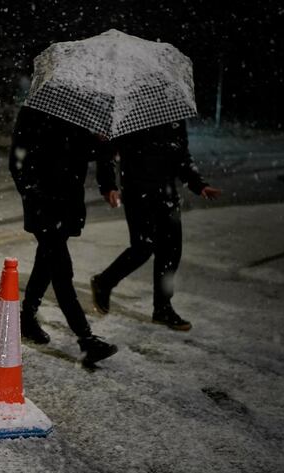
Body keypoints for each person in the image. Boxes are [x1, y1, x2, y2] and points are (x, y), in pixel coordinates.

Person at [9, 106, 118, 369]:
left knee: (46, 263)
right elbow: (17, 159)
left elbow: (84, 150)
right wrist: (31, 191)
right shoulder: (35, 109)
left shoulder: (80, 113)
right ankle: (85, 339)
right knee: (61, 269)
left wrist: (105, 150)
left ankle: (26, 318)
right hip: (42, 203)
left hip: (67, 203)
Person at [92, 120, 222, 331]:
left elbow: (182, 156)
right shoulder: (131, 110)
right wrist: (108, 186)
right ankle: (104, 282)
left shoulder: (172, 115)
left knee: (171, 250)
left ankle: (162, 307)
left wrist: (199, 185)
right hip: (137, 191)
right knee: (143, 247)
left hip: (166, 192)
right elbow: (107, 150)